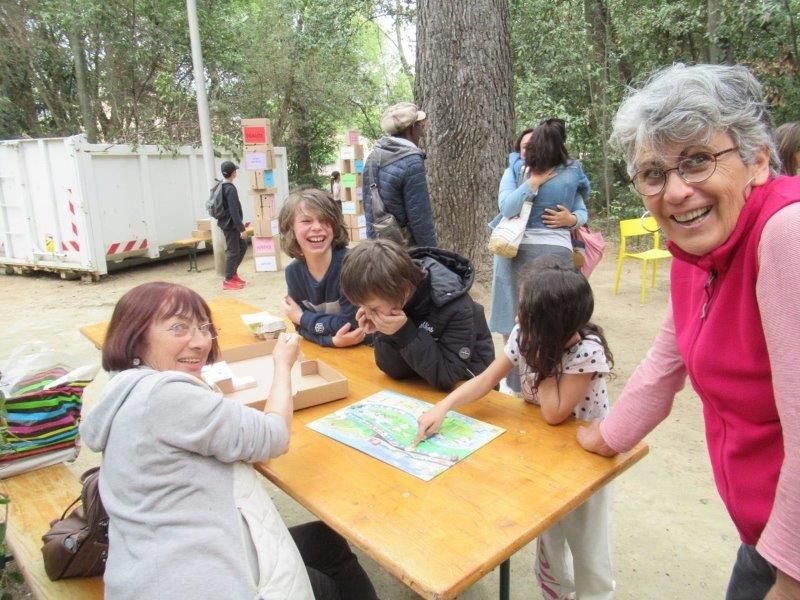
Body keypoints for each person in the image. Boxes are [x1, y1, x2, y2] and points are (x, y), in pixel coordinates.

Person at [575, 63, 800, 600]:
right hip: (764, 535)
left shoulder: (786, 234)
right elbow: (665, 361)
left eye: (698, 161)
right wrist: (607, 436)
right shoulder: (698, 250)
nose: (675, 191)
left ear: (757, 160)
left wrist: (790, 581)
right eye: (653, 173)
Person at [80, 282, 378, 600]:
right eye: (179, 328)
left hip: (152, 564)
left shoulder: (125, 388)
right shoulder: (165, 394)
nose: (200, 342)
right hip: (208, 581)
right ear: (135, 336)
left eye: (203, 328)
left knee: (324, 540)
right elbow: (274, 437)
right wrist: (282, 365)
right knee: (326, 587)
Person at [416, 256, 615, 599]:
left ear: (555, 325)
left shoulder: (586, 350)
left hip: (587, 457)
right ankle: (556, 593)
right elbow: (486, 379)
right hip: (544, 451)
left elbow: (554, 413)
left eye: (527, 313)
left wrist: (543, 355)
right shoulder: (528, 335)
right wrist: (444, 406)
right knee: (549, 534)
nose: (517, 319)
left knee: (588, 545)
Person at [489, 118, 590, 394]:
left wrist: (571, 220)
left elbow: (581, 211)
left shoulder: (567, 173)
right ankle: (515, 385)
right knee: (512, 317)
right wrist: (531, 183)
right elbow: (507, 207)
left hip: (553, 251)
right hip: (513, 251)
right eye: (524, 146)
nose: (528, 150)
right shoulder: (514, 171)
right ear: (519, 149)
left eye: (532, 145)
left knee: (552, 320)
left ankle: (555, 382)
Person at [340, 238, 493, 391]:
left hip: (473, 390)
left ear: (404, 290)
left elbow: (447, 376)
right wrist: (386, 332)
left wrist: (404, 333)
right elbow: (393, 370)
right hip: (422, 387)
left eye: (373, 308)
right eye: (362, 306)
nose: (367, 313)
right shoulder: (392, 299)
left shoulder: (455, 307)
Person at [278, 188, 366, 348]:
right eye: (306, 221)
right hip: (331, 352)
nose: (317, 227)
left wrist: (303, 318)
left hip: (367, 350)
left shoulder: (352, 265)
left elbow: (351, 324)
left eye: (325, 220)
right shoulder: (293, 273)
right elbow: (299, 328)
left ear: (335, 226)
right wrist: (330, 341)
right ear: (291, 228)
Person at [362, 102, 437, 247]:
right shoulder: (412, 161)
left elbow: (369, 209)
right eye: (419, 124)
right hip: (404, 250)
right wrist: (433, 253)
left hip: (378, 247)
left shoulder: (373, 157)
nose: (422, 127)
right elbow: (420, 219)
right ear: (412, 128)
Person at [216, 160, 248, 290]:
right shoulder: (230, 189)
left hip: (229, 223)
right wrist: (242, 229)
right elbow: (234, 211)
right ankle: (228, 280)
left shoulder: (222, 186)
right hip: (231, 225)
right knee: (233, 251)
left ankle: (233, 273)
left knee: (243, 247)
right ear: (233, 173)